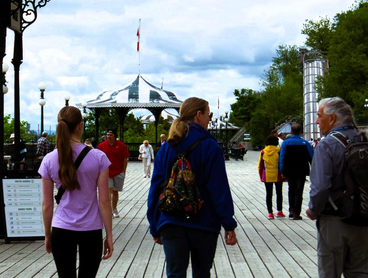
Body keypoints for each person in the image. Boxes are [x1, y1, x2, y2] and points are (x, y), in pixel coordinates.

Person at [147, 97, 238, 277]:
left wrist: (154, 223)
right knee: (202, 273)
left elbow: (156, 188)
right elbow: (218, 189)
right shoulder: (210, 147)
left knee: (175, 273)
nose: (209, 119)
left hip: (170, 221)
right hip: (204, 222)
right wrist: (228, 223)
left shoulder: (167, 147)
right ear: (199, 115)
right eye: (208, 114)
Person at [306, 97, 368, 277]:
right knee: (361, 273)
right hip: (366, 218)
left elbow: (321, 187)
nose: (316, 121)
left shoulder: (326, 145)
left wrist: (313, 210)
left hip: (334, 221)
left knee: (329, 273)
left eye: (319, 116)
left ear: (331, 119)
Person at [39, 106, 113, 277]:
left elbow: (47, 204)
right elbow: (104, 201)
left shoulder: (49, 159)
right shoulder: (98, 157)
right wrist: (109, 235)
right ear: (80, 125)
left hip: (61, 227)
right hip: (91, 229)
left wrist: (47, 234)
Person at [279, 123, 314, 220]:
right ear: (300, 132)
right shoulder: (305, 143)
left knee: (291, 189)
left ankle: (291, 210)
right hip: (301, 170)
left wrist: (282, 171)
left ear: (291, 131)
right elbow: (312, 157)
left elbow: (282, 157)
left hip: (289, 170)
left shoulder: (285, 143)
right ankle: (297, 213)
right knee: (299, 191)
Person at [98, 128, 130, 218]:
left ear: (115, 136)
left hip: (118, 172)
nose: (108, 136)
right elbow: (98, 158)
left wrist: (123, 171)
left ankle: (114, 209)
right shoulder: (101, 146)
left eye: (110, 135)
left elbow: (125, 158)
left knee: (115, 191)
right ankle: (107, 210)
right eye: (107, 134)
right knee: (109, 190)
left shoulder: (121, 145)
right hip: (106, 172)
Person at [258, 135, 285, 220]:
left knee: (269, 194)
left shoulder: (263, 152)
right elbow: (281, 163)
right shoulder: (279, 151)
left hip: (267, 175)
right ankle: (279, 211)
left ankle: (270, 213)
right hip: (277, 175)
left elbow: (260, 165)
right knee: (279, 193)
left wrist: (261, 176)